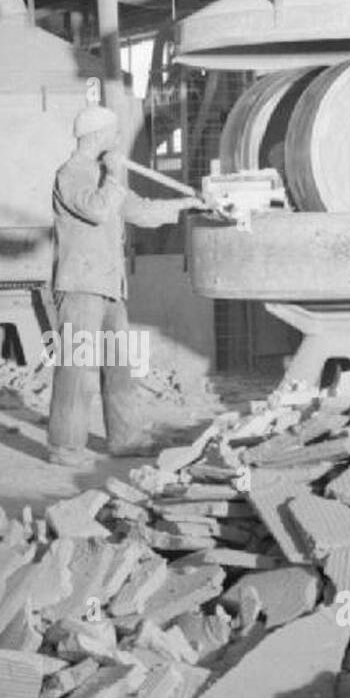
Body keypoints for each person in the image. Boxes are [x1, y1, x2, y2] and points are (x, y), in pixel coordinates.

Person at [48, 104, 204, 469]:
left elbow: (142, 211)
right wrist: (116, 177)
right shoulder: (71, 174)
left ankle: (125, 438)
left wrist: (189, 205)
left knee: (119, 365)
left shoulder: (107, 176)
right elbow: (99, 210)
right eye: (114, 133)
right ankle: (64, 446)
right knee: (76, 367)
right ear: (98, 136)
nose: (118, 140)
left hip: (110, 287)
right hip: (81, 286)